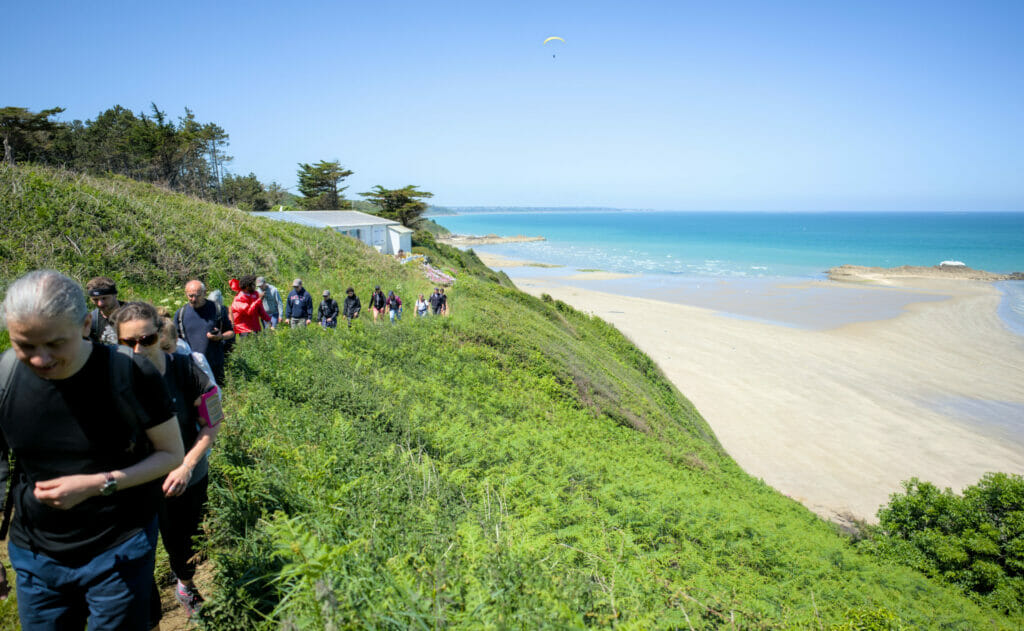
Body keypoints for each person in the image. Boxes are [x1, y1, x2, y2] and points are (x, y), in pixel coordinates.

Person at [0, 270, 184, 630]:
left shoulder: (130, 373)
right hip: (36, 554)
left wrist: (98, 484)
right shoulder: (4, 377)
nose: (40, 360)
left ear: (86, 324)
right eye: (24, 345)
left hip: (117, 548)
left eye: (55, 344)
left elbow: (171, 454)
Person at [112, 302, 219, 618]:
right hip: (137, 484)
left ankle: (185, 584)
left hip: (187, 478)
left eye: (145, 340)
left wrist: (187, 465)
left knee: (184, 540)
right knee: (136, 551)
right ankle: (148, 611)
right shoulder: (112, 382)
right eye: (126, 342)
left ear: (159, 336)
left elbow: (211, 423)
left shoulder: (186, 370)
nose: (137, 349)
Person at [174, 280, 234, 386]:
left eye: (197, 295)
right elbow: (175, 340)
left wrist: (220, 337)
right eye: (190, 296)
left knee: (217, 398)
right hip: (192, 366)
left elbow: (231, 332)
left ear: (205, 293)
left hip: (214, 365)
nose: (194, 299)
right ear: (186, 294)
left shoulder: (217, 309)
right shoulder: (180, 314)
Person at [85, 276, 124, 345]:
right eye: (95, 299)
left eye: (104, 298)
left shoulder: (135, 314)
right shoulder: (92, 321)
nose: (100, 304)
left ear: (115, 295)